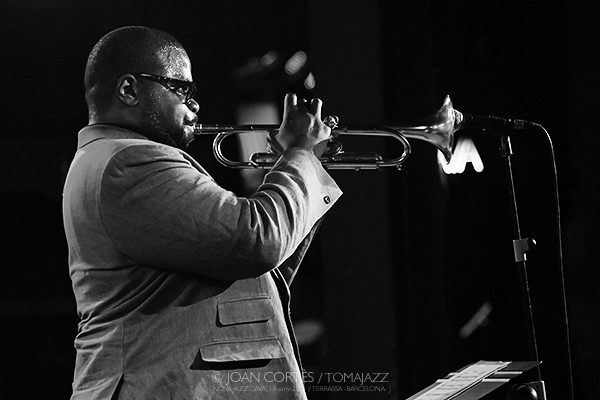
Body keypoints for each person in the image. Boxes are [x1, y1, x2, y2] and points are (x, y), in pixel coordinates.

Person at [62, 26, 341, 400]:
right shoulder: (130, 162)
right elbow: (257, 241)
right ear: (128, 90)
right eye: (181, 89)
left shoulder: (112, 160)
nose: (194, 105)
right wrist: (299, 155)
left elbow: (258, 274)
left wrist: (303, 169)